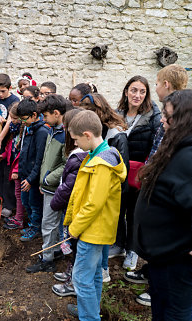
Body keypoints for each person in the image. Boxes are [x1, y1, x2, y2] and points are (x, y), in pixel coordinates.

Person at [134, 89, 192, 320]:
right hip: (165, 259)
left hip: (178, 262)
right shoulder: (185, 146)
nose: (162, 119)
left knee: (174, 314)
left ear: (189, 120)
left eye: (169, 116)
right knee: (163, 308)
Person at [124, 64, 189, 307]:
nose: (157, 87)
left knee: (162, 236)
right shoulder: (171, 107)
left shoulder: (179, 110)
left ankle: (158, 288)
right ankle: (150, 272)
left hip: (165, 187)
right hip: (154, 178)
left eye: (158, 82)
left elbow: (166, 149)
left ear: (167, 85)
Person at [63, 110, 126, 319]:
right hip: (97, 229)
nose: (75, 145)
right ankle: (90, 310)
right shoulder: (99, 155)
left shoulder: (101, 164)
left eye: (76, 140)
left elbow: (93, 204)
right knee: (95, 274)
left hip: (92, 231)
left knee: (81, 277)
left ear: (87, 135)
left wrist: (74, 228)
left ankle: (89, 317)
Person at [79, 93, 130, 282]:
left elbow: (120, 169)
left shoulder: (116, 135)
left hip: (110, 194)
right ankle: (99, 270)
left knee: (104, 231)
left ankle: (102, 270)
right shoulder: (95, 134)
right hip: (98, 190)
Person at [112, 75, 161, 271]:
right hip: (119, 170)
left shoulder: (153, 116)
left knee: (134, 213)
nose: (137, 95)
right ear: (126, 91)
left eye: (142, 91)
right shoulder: (118, 113)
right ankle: (118, 245)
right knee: (117, 209)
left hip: (139, 174)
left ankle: (132, 251)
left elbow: (156, 145)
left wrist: (148, 170)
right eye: (134, 90)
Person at [26, 95, 71, 272]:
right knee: (52, 222)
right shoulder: (54, 130)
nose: (44, 119)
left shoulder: (66, 134)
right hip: (49, 185)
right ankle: (53, 251)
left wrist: (47, 179)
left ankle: (48, 259)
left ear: (56, 113)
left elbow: (67, 164)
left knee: (49, 222)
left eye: (45, 116)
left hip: (55, 187)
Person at [50, 109, 87, 298]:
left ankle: (73, 282)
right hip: (70, 207)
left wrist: (56, 202)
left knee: (74, 247)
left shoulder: (80, 156)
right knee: (72, 247)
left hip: (73, 209)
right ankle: (70, 273)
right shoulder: (78, 153)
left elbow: (69, 185)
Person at [16, 98, 49, 241]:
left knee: (35, 204)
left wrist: (31, 179)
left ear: (34, 115)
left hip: (33, 179)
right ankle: (31, 225)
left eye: (25, 119)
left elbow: (39, 159)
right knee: (26, 202)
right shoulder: (29, 129)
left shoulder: (41, 132)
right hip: (25, 174)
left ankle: (36, 228)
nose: (23, 122)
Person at [0, 73, 19, 217]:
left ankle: (9, 204)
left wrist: (1, 138)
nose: (0, 94)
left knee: (7, 172)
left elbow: (9, 121)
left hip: (8, 141)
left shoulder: (15, 100)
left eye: (3, 91)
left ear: (10, 88)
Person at [0, 102, 25, 229]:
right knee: (18, 192)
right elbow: (10, 146)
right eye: (11, 118)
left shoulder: (24, 134)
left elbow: (22, 155)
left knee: (19, 194)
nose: (12, 121)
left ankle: (20, 218)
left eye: (14, 118)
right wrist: (3, 155)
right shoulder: (15, 131)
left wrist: (16, 170)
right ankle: (18, 216)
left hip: (19, 169)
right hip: (13, 165)